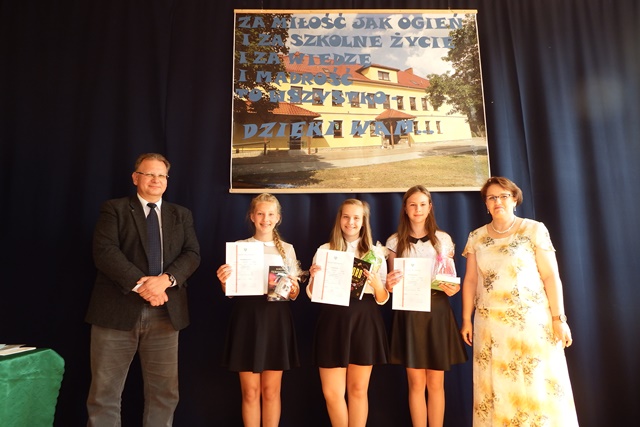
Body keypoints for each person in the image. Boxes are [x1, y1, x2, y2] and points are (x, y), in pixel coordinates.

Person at [85, 153, 201, 426]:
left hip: (166, 314)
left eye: (161, 175)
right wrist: (143, 285)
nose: (156, 180)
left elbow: (192, 254)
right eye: (149, 174)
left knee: (164, 394)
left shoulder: (181, 214)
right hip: (115, 313)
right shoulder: (114, 209)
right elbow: (105, 252)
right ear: (136, 178)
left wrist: (165, 280)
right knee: (104, 394)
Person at [460, 176, 578, 426]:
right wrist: (466, 319)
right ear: (486, 204)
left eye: (503, 196)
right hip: (490, 327)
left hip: (532, 324)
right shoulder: (476, 237)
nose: (498, 201)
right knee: (498, 389)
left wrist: (559, 318)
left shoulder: (534, 230)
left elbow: (550, 276)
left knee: (537, 384)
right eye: (492, 197)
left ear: (514, 199)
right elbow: (470, 281)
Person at [385, 185, 468, 427]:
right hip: (409, 312)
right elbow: (392, 284)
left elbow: (450, 279)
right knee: (416, 383)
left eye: (422, 204)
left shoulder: (443, 240)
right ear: (405, 208)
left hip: (437, 311)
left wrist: (453, 287)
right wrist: (389, 284)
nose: (418, 209)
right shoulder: (394, 241)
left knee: (435, 383)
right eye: (413, 204)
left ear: (430, 207)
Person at [216, 193, 300, 427]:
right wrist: (224, 281)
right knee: (250, 392)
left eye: (271, 214)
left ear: (278, 218)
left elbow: (294, 294)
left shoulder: (287, 249)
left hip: (276, 320)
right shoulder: (240, 248)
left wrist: (294, 288)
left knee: (271, 391)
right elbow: (230, 291)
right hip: (247, 319)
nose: (266, 219)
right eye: (260, 213)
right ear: (252, 216)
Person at [306, 199, 389, 427]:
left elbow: (383, 298)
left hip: (364, 322)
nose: (350, 222)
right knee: (332, 393)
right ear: (339, 219)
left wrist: (377, 284)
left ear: (363, 222)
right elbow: (312, 294)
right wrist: (313, 278)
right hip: (333, 322)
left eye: (356, 218)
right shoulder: (325, 250)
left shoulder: (375, 253)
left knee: (358, 390)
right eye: (346, 217)